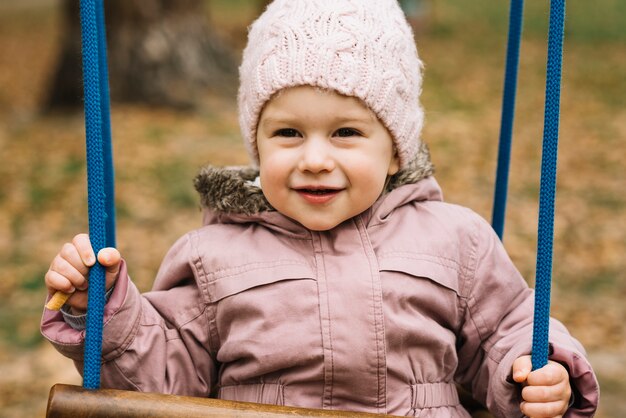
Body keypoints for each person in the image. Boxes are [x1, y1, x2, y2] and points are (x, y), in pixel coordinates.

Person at [41, 1, 599, 417]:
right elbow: (165, 379)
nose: (313, 158)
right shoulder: (212, 255)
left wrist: (537, 371)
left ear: (395, 149)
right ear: (256, 143)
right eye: (287, 132)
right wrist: (104, 312)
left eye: (346, 132)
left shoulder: (457, 240)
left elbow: (507, 329)